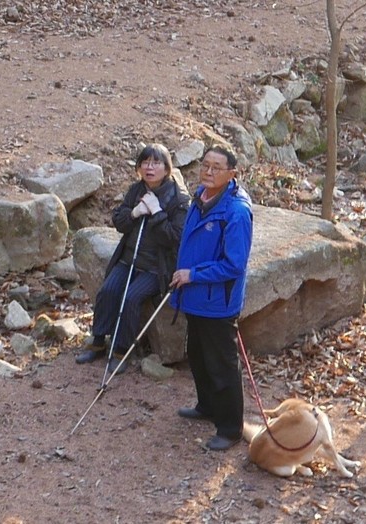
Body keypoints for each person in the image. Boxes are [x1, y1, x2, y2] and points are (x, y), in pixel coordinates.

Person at [76, 143, 191, 373]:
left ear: (167, 169)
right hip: (129, 259)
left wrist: (157, 212)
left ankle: (121, 351)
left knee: (131, 298)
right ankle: (98, 342)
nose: (150, 167)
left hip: (155, 267)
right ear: (139, 167)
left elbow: (173, 238)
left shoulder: (179, 200)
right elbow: (119, 221)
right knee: (108, 291)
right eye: (145, 162)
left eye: (156, 162)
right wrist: (134, 212)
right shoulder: (136, 190)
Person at [170, 144, 253, 451]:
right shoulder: (200, 197)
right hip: (194, 296)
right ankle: (207, 406)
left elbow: (234, 264)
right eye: (205, 165)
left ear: (232, 174)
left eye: (216, 167)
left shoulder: (236, 212)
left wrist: (193, 274)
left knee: (222, 364)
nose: (208, 171)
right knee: (198, 355)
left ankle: (231, 428)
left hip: (217, 300)